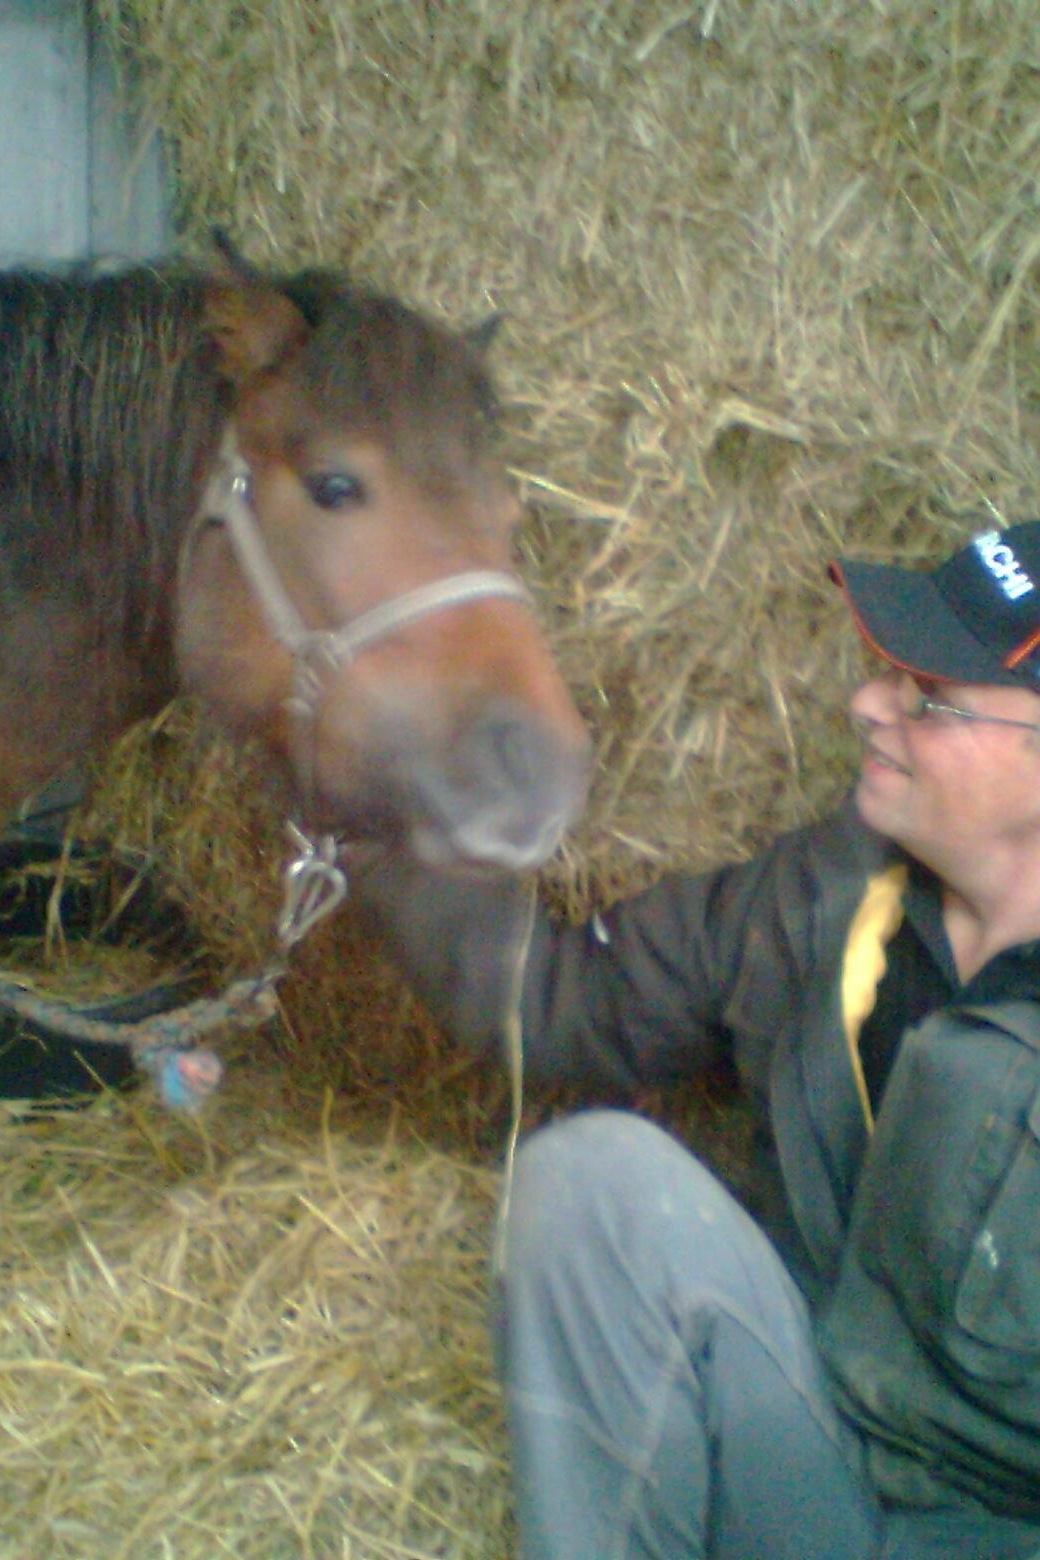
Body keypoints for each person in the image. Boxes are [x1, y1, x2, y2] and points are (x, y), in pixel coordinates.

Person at [353, 521, 1040, 1560]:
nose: (867, 706)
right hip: (812, 1460)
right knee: (593, 1181)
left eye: (925, 697)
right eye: (881, 675)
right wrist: (381, 818)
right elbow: (554, 1002)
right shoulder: (831, 891)